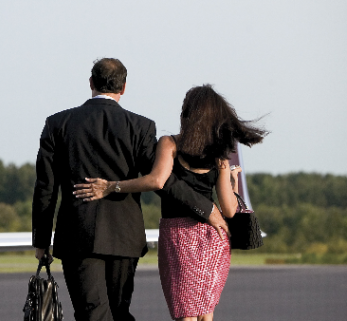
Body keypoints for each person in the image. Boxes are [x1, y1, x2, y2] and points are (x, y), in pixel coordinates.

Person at [31, 58, 221, 321]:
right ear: (123, 88)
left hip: (77, 236)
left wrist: (41, 240)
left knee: (92, 313)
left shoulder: (57, 124)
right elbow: (162, 180)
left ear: (91, 83)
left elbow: (45, 187)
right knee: (119, 313)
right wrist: (206, 208)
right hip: (124, 237)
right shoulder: (141, 127)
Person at [73, 84, 266, 321]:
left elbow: (156, 181)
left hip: (178, 236)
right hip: (213, 237)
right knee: (206, 314)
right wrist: (232, 183)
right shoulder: (220, 154)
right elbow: (228, 209)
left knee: (185, 312)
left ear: (186, 113)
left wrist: (112, 186)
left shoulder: (170, 143)